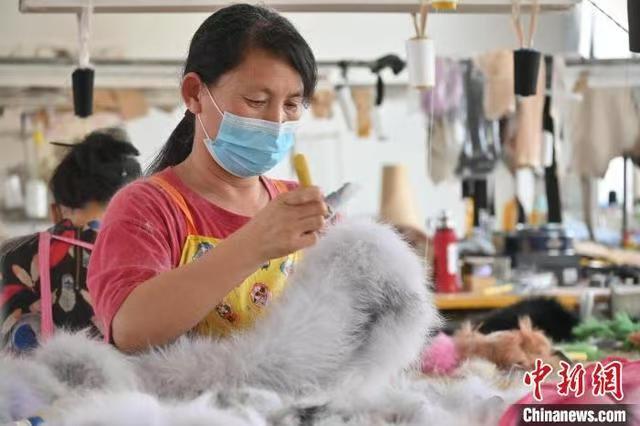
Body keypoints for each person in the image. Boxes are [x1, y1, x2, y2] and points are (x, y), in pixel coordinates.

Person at [87, 4, 327, 353]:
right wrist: (256, 242)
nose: (276, 123)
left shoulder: (302, 208)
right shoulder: (148, 208)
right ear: (194, 93)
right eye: (256, 101)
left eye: (291, 105)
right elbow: (130, 330)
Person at [0, 129, 141, 352]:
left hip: (35, 375)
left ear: (57, 208)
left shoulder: (12, 255)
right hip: (131, 375)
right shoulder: (151, 252)